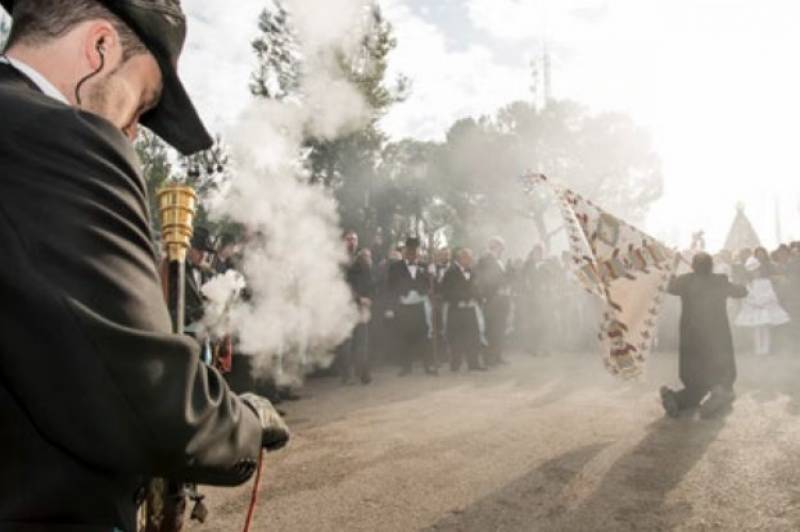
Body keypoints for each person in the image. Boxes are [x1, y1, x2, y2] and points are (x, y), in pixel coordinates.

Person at [0, 2, 289, 530]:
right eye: (143, 100)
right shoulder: (60, 137)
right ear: (100, 47)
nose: (133, 131)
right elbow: (149, 402)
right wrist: (247, 421)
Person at [661, 253, 748, 419]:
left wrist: (673, 265)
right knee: (720, 372)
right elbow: (742, 292)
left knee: (695, 380)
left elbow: (667, 285)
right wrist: (742, 281)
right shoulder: (719, 281)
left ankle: (679, 399)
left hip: (691, 335)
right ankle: (719, 394)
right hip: (716, 336)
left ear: (693, 266)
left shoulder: (685, 281)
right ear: (711, 265)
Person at [386, 237, 436, 376]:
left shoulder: (425, 266)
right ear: (405, 251)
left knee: (424, 336)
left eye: (415, 251)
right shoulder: (395, 267)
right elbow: (390, 287)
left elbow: (431, 286)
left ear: (418, 252)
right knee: (405, 336)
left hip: (420, 305)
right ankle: (406, 367)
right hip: (404, 306)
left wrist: (433, 274)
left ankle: (428, 365)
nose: (412, 253)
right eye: (410, 251)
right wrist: (390, 307)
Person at [734, 248, 791, 356]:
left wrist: (762, 302)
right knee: (757, 329)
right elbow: (747, 296)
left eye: (757, 271)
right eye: (753, 272)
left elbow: (771, 294)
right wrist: (754, 302)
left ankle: (766, 350)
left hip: (765, 308)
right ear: (749, 273)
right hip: (755, 308)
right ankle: (758, 350)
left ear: (760, 271)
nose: (756, 273)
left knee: (765, 329)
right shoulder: (748, 284)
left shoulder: (766, 282)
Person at [440, 248, 485, 371]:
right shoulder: (451, 272)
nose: (471, 260)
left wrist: (479, 297)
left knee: (473, 336)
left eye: (471, 258)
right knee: (456, 338)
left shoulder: (472, 271)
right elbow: (446, 291)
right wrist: (462, 298)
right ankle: (455, 364)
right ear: (461, 258)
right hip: (456, 310)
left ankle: (473, 363)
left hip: (470, 309)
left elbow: (476, 287)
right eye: (468, 258)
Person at [340, 231, 374, 385]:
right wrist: (358, 298)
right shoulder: (339, 260)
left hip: (361, 307)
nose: (352, 242)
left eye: (354, 239)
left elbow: (369, 282)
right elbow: (341, 285)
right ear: (343, 241)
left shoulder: (363, 261)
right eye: (349, 239)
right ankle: (346, 376)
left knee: (362, 342)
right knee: (346, 343)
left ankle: (363, 373)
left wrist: (369, 298)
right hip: (345, 307)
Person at [477, 236, 512, 366]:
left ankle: (498, 355)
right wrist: (489, 293)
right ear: (494, 246)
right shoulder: (485, 260)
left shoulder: (500, 261)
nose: (503, 249)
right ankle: (488, 357)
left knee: (500, 328)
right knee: (491, 329)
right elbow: (482, 279)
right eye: (501, 246)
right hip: (492, 299)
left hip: (502, 299)